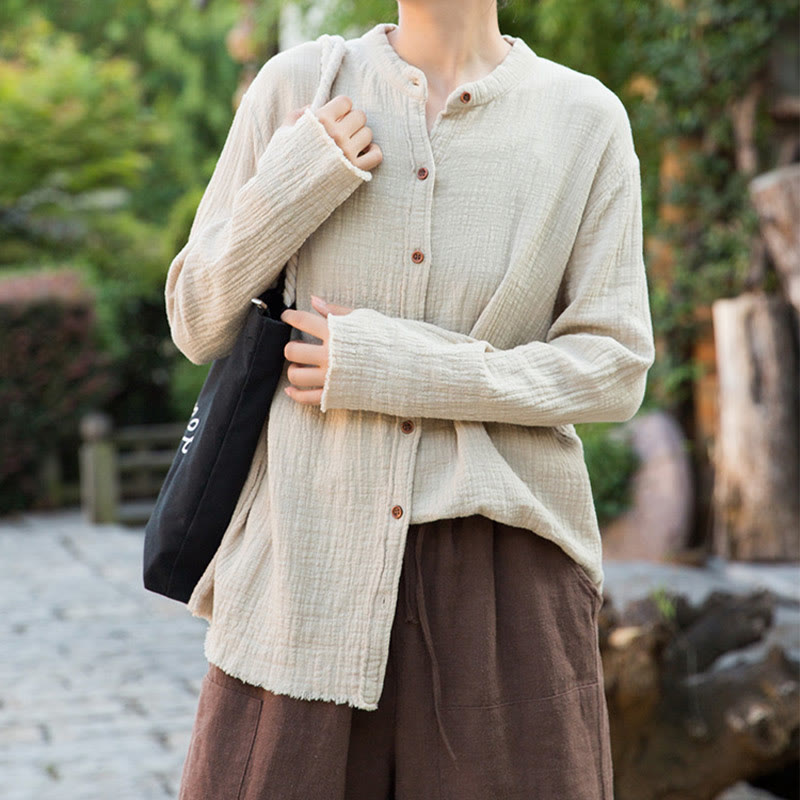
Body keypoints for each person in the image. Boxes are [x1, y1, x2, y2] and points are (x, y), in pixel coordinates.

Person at [169, 0, 655, 797]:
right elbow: (194, 320)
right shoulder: (298, 87)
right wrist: (298, 179)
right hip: (303, 570)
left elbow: (614, 365)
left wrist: (401, 368)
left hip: (506, 582)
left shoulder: (584, 120)